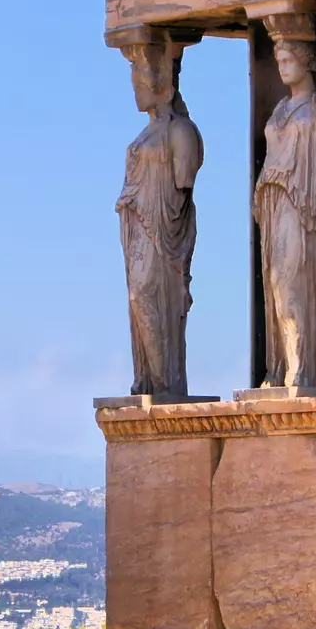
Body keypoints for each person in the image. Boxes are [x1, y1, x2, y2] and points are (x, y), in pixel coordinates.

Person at [255, 29, 316, 388]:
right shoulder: (280, 109)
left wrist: (313, 189)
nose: (281, 67)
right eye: (278, 61)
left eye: (288, 60)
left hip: (304, 204)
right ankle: (283, 366)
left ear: (307, 61)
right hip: (274, 203)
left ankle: (301, 367)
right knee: (275, 281)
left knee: (291, 281)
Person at [116, 35, 203, 397]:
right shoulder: (147, 132)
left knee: (146, 296)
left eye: (140, 81)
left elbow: (183, 183)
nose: (135, 89)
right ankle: (150, 380)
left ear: (159, 82)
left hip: (162, 232)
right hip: (137, 229)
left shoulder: (180, 131)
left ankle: (166, 382)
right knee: (136, 298)